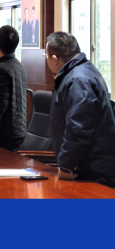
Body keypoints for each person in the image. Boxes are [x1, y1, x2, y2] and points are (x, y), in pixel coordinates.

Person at [46, 32, 115, 187]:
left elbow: (79, 128)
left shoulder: (78, 80)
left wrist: (66, 166)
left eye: (46, 56)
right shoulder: (82, 71)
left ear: (55, 59)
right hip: (87, 165)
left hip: (92, 170)